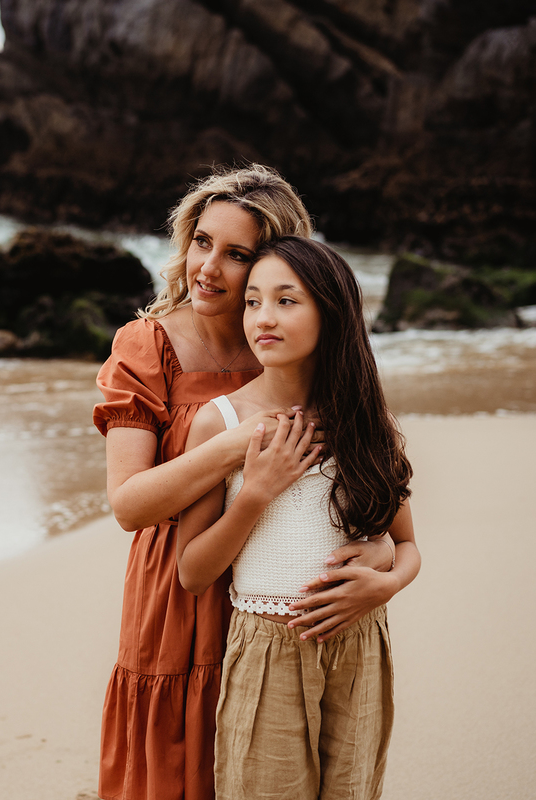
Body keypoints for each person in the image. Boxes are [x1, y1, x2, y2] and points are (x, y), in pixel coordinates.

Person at [93, 167, 398, 800]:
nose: (207, 267)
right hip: (182, 590)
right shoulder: (148, 345)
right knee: (183, 763)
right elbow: (128, 505)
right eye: (201, 241)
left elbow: (352, 481)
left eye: (236, 255)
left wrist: (388, 553)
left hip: (285, 585)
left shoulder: (289, 350)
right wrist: (237, 444)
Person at [176, 236, 421, 800]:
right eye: (253, 301)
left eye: (287, 300)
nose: (264, 317)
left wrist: (383, 586)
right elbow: (193, 571)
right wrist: (256, 493)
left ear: (330, 313)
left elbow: (407, 545)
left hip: (360, 642)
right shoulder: (220, 423)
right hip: (267, 649)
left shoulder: (363, 418)